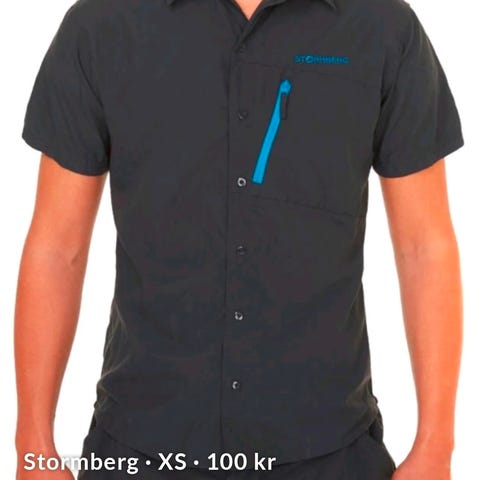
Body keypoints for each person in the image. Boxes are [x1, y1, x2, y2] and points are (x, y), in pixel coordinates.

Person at [15, 0, 464, 478]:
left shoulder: (381, 26)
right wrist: (33, 445)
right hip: (140, 447)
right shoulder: (103, 24)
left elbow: (424, 247)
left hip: (330, 449)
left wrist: (435, 446)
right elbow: (57, 248)